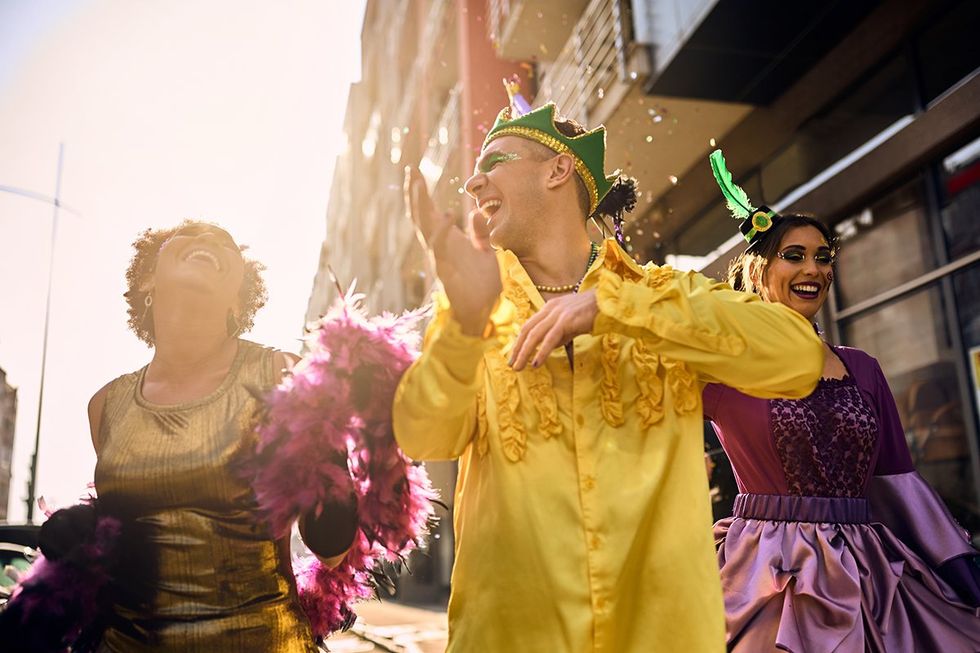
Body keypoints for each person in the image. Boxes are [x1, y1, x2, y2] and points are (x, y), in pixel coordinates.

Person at [393, 99, 826, 652]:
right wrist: (465, 324)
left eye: (496, 161)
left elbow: (798, 357)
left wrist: (614, 308)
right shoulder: (473, 307)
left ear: (558, 169)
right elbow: (422, 436)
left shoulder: (664, 294)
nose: (474, 181)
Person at [705, 150, 980, 652]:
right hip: (766, 576)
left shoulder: (863, 368)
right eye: (794, 255)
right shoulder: (722, 365)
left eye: (823, 256)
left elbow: (898, 480)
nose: (813, 268)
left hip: (870, 573)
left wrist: (956, 562)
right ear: (759, 267)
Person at [86, 221, 358, 652]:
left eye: (225, 244)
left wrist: (327, 444)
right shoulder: (105, 406)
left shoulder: (282, 377)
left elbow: (331, 550)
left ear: (237, 298)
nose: (209, 240)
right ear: (148, 279)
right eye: (189, 234)